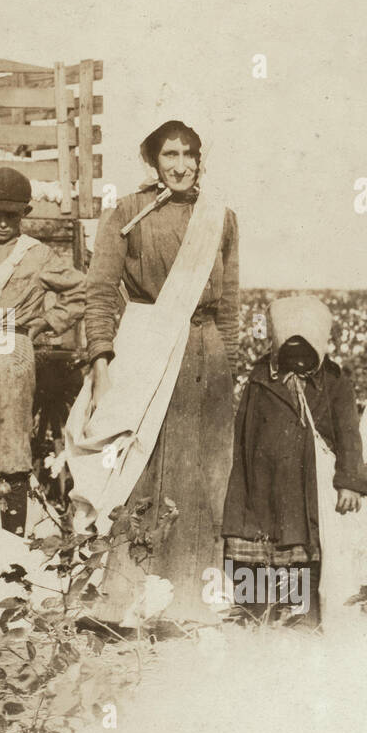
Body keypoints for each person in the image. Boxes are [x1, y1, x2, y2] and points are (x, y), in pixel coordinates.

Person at [80, 119, 239, 624]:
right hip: (146, 348)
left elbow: (230, 302)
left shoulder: (222, 218)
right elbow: (101, 291)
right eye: (169, 154)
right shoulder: (126, 214)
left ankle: (188, 603)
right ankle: (125, 603)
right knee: (139, 469)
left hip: (205, 352)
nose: (180, 165)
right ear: (153, 160)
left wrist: (226, 366)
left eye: (189, 154)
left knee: (202, 477)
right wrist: (102, 362)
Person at [0, 167, 86, 536]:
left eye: (12, 215)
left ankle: (12, 542)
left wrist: (46, 322)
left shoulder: (36, 256)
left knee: (9, 447)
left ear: (23, 215)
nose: (4, 222)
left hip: (12, 350)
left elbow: (81, 291)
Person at [221, 295, 367, 627]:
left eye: (307, 353)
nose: (299, 361)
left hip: (304, 488)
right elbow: (242, 434)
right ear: (277, 347)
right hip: (260, 485)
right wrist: (239, 487)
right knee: (254, 548)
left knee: (298, 548)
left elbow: (349, 435)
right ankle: (253, 614)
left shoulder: (333, 382)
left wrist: (350, 481)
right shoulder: (261, 379)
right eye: (291, 353)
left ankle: (297, 618)